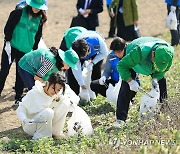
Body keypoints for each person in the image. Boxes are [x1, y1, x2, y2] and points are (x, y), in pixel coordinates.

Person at [114, 37, 174, 127]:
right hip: (134, 59)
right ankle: (120, 119)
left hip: (150, 60)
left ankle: (164, 110)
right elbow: (122, 65)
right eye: (155, 63)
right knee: (125, 86)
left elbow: (162, 70)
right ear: (153, 54)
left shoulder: (168, 54)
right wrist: (130, 81)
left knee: (162, 83)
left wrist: (156, 79)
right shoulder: (139, 52)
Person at [0, 0, 47, 103]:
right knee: (4, 71)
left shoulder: (40, 19)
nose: (37, 9)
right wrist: (7, 42)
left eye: (39, 7)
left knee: (20, 74)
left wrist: (33, 51)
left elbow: (38, 36)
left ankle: (18, 97)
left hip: (25, 51)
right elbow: (8, 27)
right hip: (11, 47)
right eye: (35, 6)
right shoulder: (18, 12)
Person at [16, 72, 67, 139]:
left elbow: (70, 97)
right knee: (48, 112)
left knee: (65, 104)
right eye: (53, 88)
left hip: (45, 121)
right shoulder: (34, 93)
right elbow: (21, 108)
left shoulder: (56, 94)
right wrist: (24, 119)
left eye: (58, 90)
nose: (55, 92)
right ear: (47, 83)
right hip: (31, 125)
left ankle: (56, 132)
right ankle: (41, 137)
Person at [59, 26, 108, 97]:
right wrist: (82, 86)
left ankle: (97, 93)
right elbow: (76, 68)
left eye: (85, 56)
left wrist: (92, 63)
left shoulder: (97, 41)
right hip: (69, 36)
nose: (85, 58)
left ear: (88, 48)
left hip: (88, 37)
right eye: (81, 57)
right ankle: (74, 94)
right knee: (70, 68)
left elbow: (104, 53)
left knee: (97, 69)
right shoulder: (74, 50)